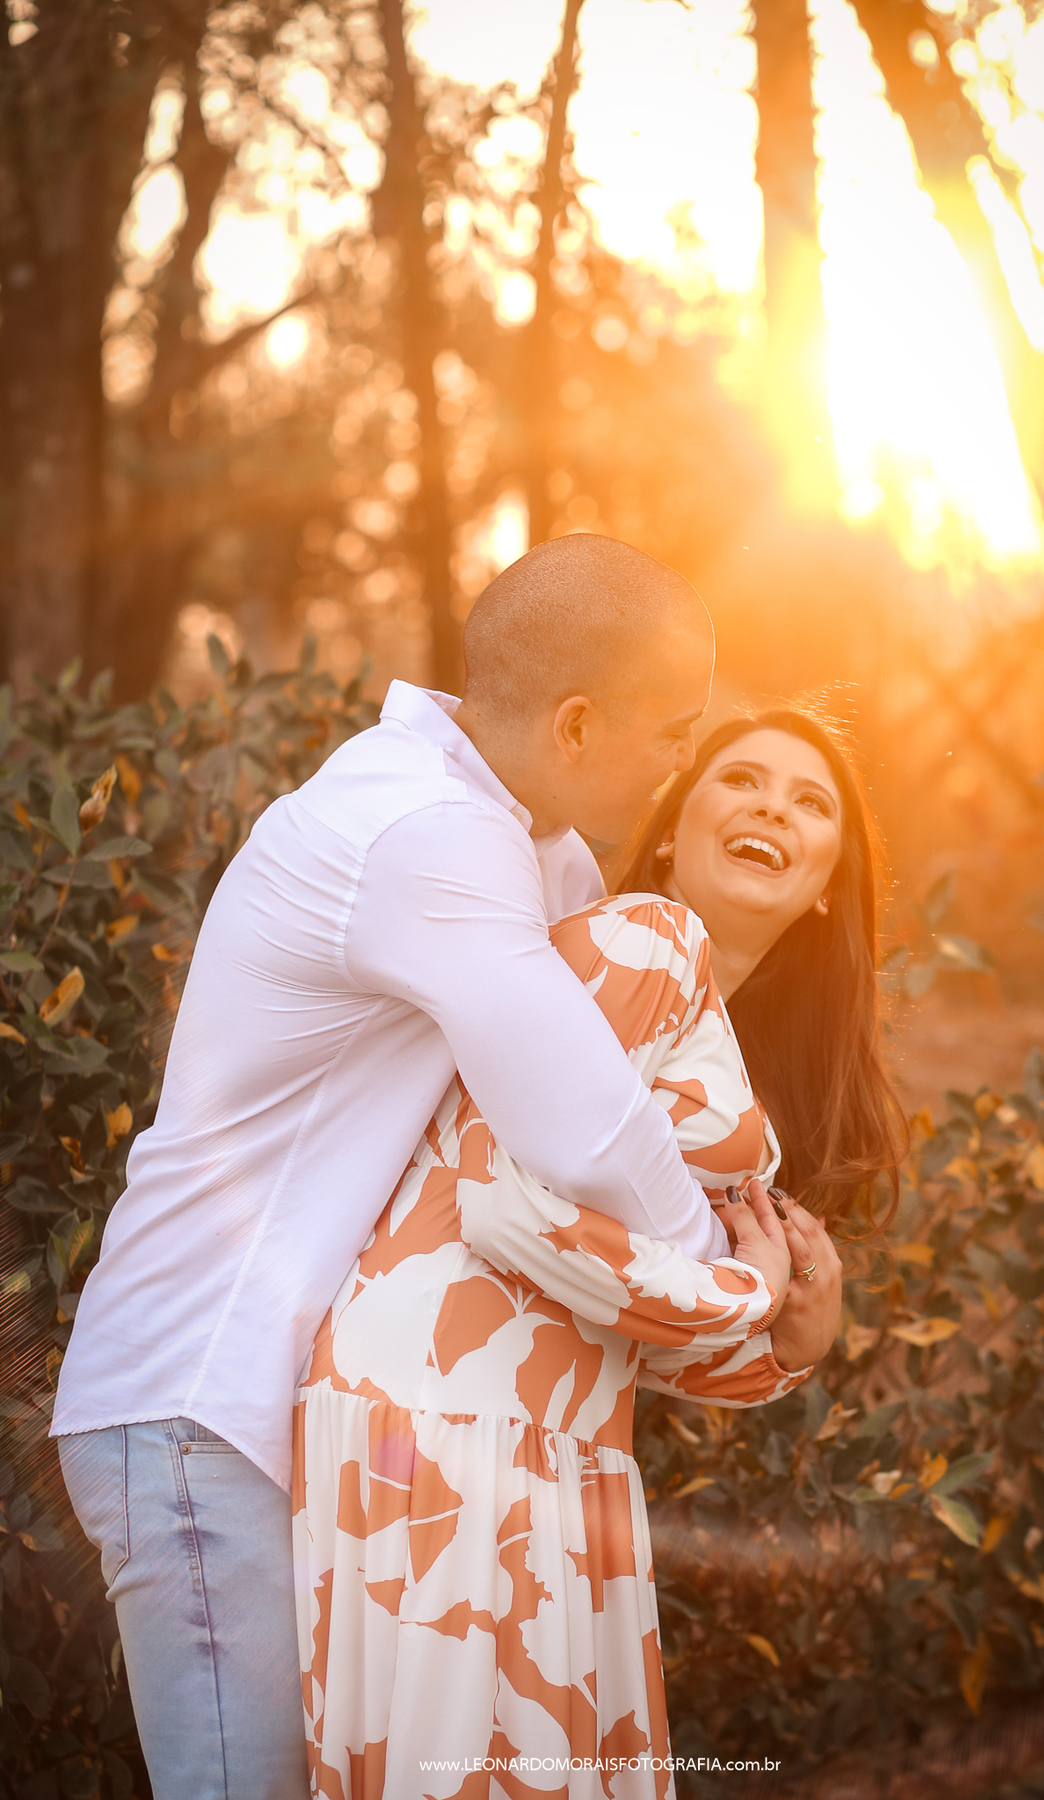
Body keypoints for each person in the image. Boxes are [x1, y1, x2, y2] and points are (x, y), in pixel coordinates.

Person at [52, 535, 742, 1800]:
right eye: (674, 732)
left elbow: (641, 1025)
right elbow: (583, 1127)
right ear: (579, 724)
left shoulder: (530, 841)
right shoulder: (423, 831)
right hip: (200, 1402)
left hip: (301, 1415)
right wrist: (730, 1292)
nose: (682, 764)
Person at [293, 706, 906, 1797]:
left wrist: (790, 1346)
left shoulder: (732, 1049)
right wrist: (739, 1294)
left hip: (555, 1447)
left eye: (811, 802)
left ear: (827, 884)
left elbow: (622, 1306)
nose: (773, 805)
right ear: (673, 828)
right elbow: (507, 1207)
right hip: (442, 1419)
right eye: (742, 779)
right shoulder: (642, 943)